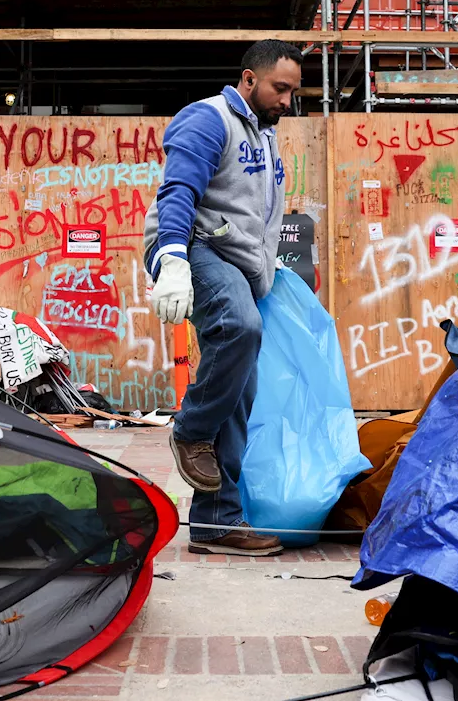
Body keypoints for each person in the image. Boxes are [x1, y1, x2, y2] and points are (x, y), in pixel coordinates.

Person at [143, 39, 302, 557]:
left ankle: (215, 522)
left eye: (293, 92)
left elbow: (255, 210)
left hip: (237, 264)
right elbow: (179, 193)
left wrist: (268, 265)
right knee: (240, 326)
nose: (287, 101)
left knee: (238, 393)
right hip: (196, 247)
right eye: (280, 88)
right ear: (249, 79)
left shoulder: (264, 134)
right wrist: (171, 260)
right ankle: (189, 431)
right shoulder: (208, 119)